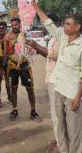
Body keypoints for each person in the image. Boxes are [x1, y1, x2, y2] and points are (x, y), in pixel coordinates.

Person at [32, 0, 82, 153]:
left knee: (74, 130)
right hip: (57, 88)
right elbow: (48, 22)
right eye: (64, 23)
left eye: (68, 24)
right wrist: (34, 6)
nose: (64, 26)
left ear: (77, 27)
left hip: (72, 93)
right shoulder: (63, 38)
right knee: (59, 125)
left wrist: (79, 97)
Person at [27, 13, 61, 153]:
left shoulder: (60, 37)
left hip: (57, 79)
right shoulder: (54, 38)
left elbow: (53, 55)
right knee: (55, 114)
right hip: (52, 77)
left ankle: (61, 145)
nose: (44, 27)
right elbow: (47, 53)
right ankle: (60, 139)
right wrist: (35, 48)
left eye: (46, 24)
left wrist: (35, 45)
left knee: (58, 114)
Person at [4, 18, 39, 120]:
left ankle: (33, 110)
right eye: (13, 25)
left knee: (30, 89)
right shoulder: (7, 37)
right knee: (13, 89)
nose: (14, 26)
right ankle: (14, 109)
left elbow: (31, 48)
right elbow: (6, 52)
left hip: (25, 66)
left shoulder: (25, 34)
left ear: (20, 25)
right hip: (12, 66)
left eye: (16, 24)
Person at [0, 21, 10, 107]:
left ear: (6, 29)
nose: (1, 30)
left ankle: (9, 97)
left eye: (2, 28)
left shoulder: (9, 38)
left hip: (8, 62)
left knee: (8, 82)